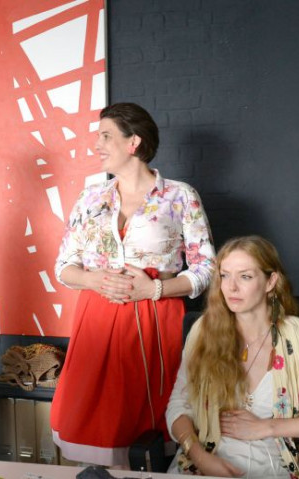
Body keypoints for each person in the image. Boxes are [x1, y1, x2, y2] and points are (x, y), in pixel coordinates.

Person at [51, 102, 216, 466]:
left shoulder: (180, 196)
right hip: (96, 323)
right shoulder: (90, 198)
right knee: (96, 430)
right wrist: (93, 279)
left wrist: (154, 289)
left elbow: (206, 269)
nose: (97, 145)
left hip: (156, 324)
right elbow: (63, 266)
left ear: (133, 142)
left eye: (105, 136)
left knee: (149, 434)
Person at [166, 236, 299, 478]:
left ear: (270, 281)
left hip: (277, 468)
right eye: (225, 276)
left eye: (245, 276)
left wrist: (265, 427)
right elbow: (178, 406)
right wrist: (200, 457)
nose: (231, 287)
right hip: (206, 464)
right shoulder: (203, 331)